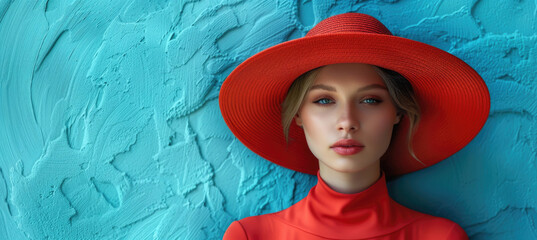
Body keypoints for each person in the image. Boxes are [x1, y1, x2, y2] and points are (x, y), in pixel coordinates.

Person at [219, 12, 489, 239]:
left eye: (370, 100)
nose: (347, 122)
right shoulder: (252, 236)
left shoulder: (439, 237)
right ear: (298, 114)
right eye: (324, 100)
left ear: (397, 111)